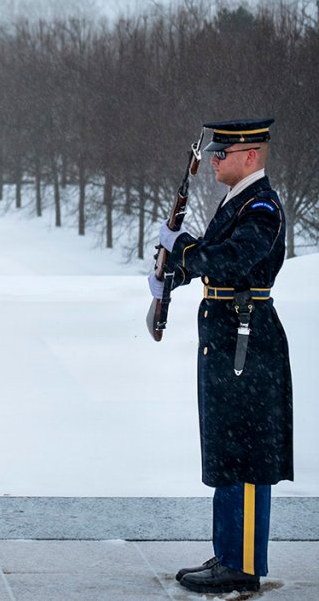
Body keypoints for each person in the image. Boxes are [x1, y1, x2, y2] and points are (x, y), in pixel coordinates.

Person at [149, 117, 292, 594]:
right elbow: (216, 256)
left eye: (222, 153)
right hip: (229, 338)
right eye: (213, 152)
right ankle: (230, 551)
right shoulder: (239, 202)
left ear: (250, 156)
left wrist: (185, 253)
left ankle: (243, 565)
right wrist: (174, 271)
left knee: (247, 453)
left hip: (246, 343)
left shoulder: (262, 207)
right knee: (229, 449)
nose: (213, 160)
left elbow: (230, 259)